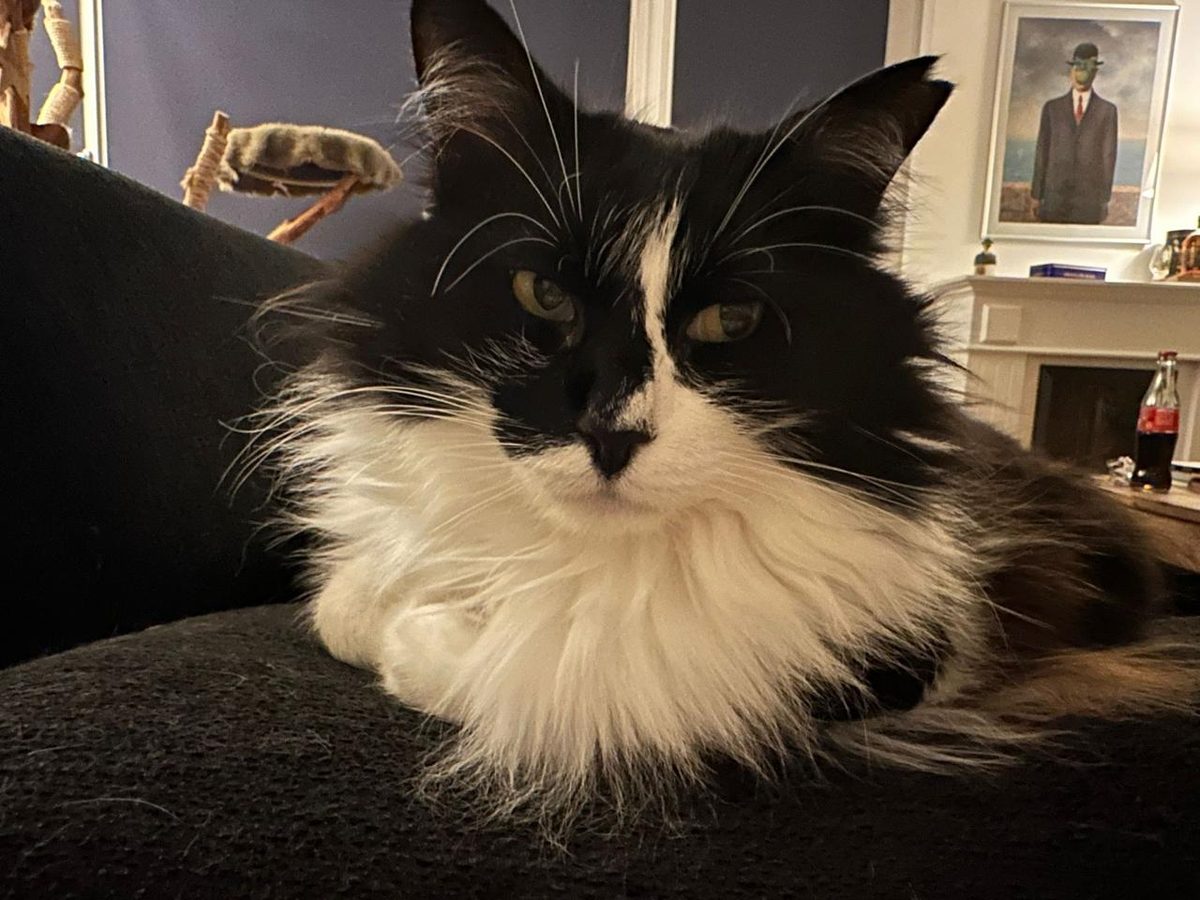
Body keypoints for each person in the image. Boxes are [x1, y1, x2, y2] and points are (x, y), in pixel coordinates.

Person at [1030, 42, 1118, 225]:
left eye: (1087, 68)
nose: (1081, 74)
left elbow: (1108, 157)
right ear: (1071, 71)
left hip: (1089, 202)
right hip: (1054, 199)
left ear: (1095, 72)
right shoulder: (1052, 108)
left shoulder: (1107, 111)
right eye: (1077, 67)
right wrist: (1036, 195)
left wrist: (1104, 199)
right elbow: (1042, 152)